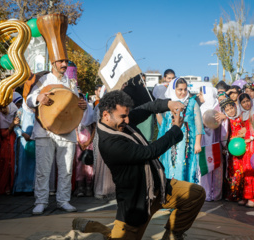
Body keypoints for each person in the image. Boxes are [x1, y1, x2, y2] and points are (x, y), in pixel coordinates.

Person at [73, 90, 206, 240]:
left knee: (196, 194)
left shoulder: (122, 122)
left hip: (158, 187)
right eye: (123, 116)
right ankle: (104, 231)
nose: (128, 120)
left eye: (128, 115)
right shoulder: (109, 143)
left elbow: (148, 107)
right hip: (136, 201)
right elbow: (149, 152)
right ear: (105, 115)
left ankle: (172, 235)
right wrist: (175, 129)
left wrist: (169, 104)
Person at [26, 57, 87, 214]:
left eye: (66, 62)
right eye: (61, 61)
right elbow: (29, 99)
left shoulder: (71, 82)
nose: (64, 65)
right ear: (52, 62)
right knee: (43, 169)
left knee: (66, 169)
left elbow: (74, 104)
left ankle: (63, 200)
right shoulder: (43, 79)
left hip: (66, 130)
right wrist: (38, 97)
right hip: (45, 130)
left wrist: (82, 105)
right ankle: (40, 201)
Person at [158, 78, 204, 182]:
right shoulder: (168, 104)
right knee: (170, 165)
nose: (183, 92)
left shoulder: (192, 103)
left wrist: (197, 142)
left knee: (184, 167)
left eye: (185, 89)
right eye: (180, 89)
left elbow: (198, 124)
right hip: (170, 140)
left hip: (187, 142)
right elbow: (164, 124)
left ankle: (185, 194)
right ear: (173, 89)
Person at [197, 86, 223, 201]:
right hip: (203, 141)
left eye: (201, 93)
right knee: (204, 167)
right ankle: (205, 193)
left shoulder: (219, 108)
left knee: (217, 166)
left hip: (216, 141)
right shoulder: (200, 108)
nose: (199, 96)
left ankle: (216, 194)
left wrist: (224, 117)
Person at [238, 93, 254, 208]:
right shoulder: (243, 114)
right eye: (243, 102)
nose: (246, 103)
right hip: (246, 144)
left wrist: (251, 138)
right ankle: (247, 196)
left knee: (253, 169)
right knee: (247, 169)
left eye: (248, 100)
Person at [219, 98, 245, 202]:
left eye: (232, 108)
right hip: (231, 150)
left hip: (241, 148)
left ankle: (239, 194)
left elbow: (245, 130)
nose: (231, 111)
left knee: (240, 170)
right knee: (231, 170)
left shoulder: (241, 118)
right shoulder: (226, 120)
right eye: (228, 110)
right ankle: (231, 194)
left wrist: (239, 136)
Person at [12, 99, 36, 194]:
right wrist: (22, 134)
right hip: (22, 140)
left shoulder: (37, 111)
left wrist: (33, 136)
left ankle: (31, 187)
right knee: (21, 163)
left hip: (34, 141)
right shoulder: (20, 111)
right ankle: (20, 187)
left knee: (33, 165)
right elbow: (16, 126)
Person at [74, 93, 95, 197]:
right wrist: (78, 141)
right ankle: (80, 187)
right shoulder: (74, 112)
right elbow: (74, 128)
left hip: (88, 142)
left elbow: (94, 128)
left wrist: (89, 141)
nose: (81, 102)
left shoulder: (91, 113)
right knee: (79, 165)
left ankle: (89, 187)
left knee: (89, 164)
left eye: (82, 100)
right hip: (78, 143)